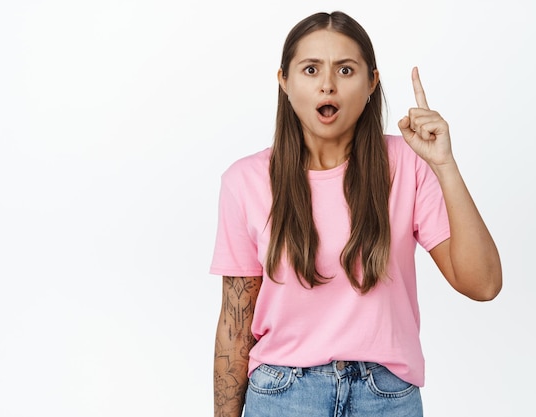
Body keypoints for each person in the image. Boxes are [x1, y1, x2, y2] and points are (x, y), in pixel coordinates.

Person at [210, 11, 502, 417]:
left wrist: (444, 165)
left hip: (386, 398)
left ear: (371, 83)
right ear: (285, 82)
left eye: (345, 70)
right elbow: (234, 324)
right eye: (311, 69)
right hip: (282, 397)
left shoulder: (408, 164)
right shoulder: (246, 181)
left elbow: (483, 284)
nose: (327, 84)